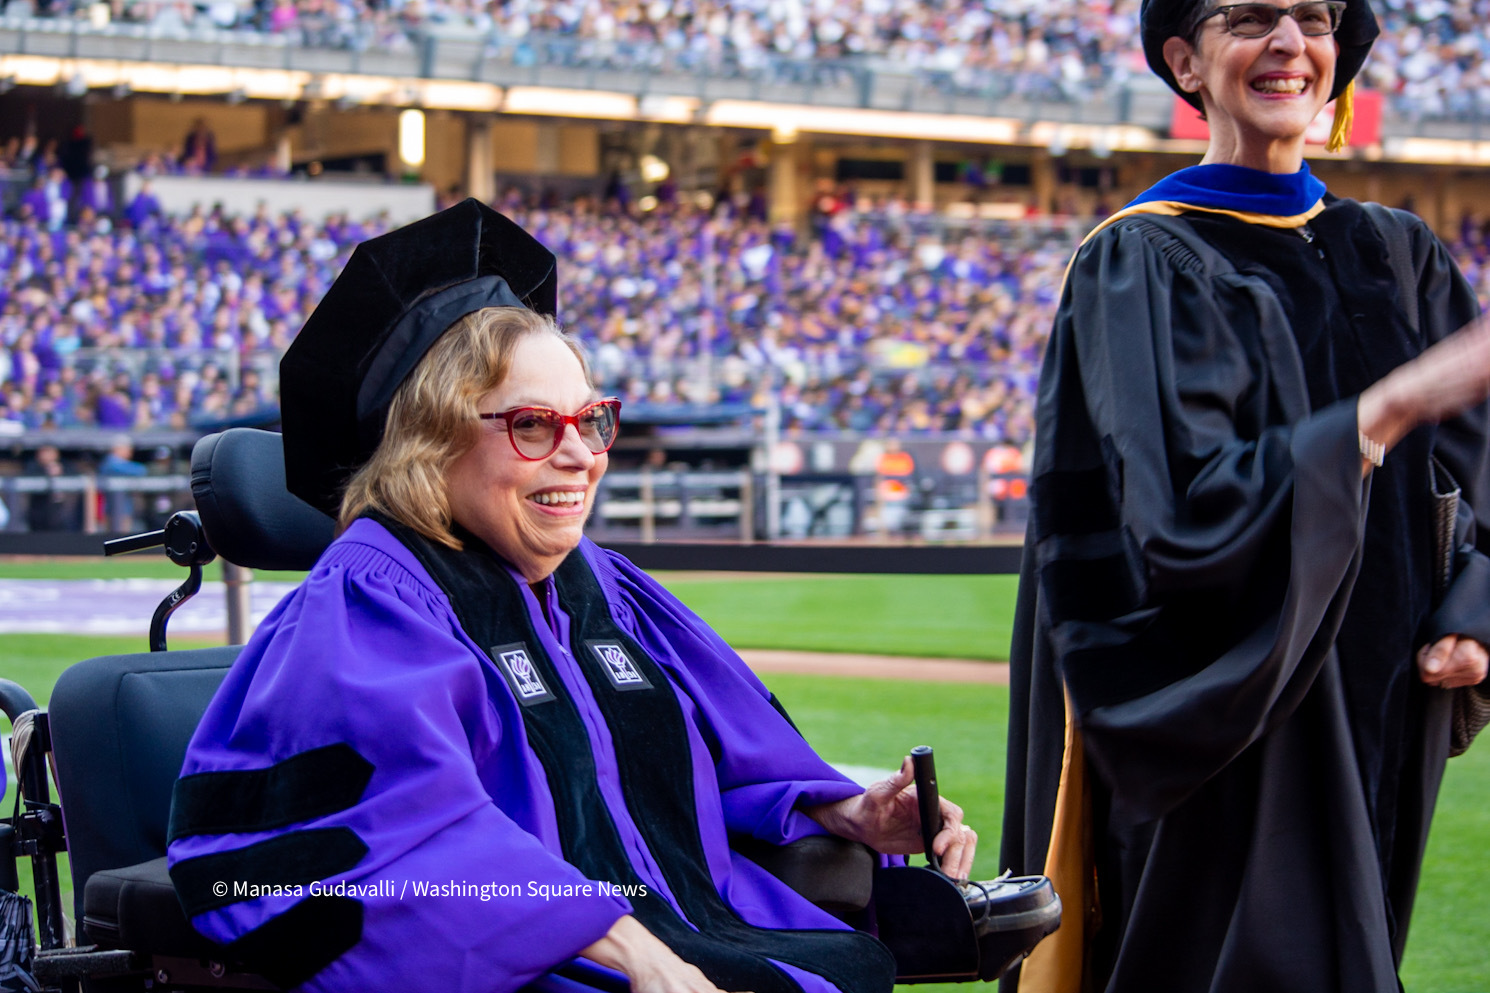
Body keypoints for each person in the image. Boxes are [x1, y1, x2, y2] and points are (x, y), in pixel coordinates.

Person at [166, 200, 978, 993]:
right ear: (430, 438)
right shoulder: (373, 601)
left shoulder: (607, 591)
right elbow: (390, 842)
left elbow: (705, 772)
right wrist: (628, 949)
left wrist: (848, 815)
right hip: (535, 965)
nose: (579, 456)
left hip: (695, 930)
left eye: (589, 421)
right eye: (531, 425)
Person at [1000, 2, 1490, 992]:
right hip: (1224, 726)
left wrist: (1471, 610)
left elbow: (1474, 478)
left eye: (1310, 18)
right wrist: (1380, 410)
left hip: (1379, 711)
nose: (1286, 44)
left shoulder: (1394, 254)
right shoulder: (1140, 258)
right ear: (1183, 59)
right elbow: (1176, 514)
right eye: (1247, 18)